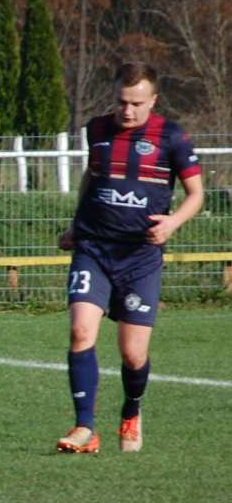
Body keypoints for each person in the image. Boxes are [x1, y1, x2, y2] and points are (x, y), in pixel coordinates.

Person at [55, 62, 203, 454]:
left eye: (137, 103)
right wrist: (76, 224)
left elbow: (196, 195)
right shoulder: (97, 129)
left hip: (140, 257)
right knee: (80, 332)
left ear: (153, 100)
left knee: (132, 354)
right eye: (122, 101)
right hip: (94, 249)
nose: (128, 110)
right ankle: (85, 427)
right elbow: (92, 176)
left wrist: (171, 224)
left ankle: (131, 411)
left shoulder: (171, 137)